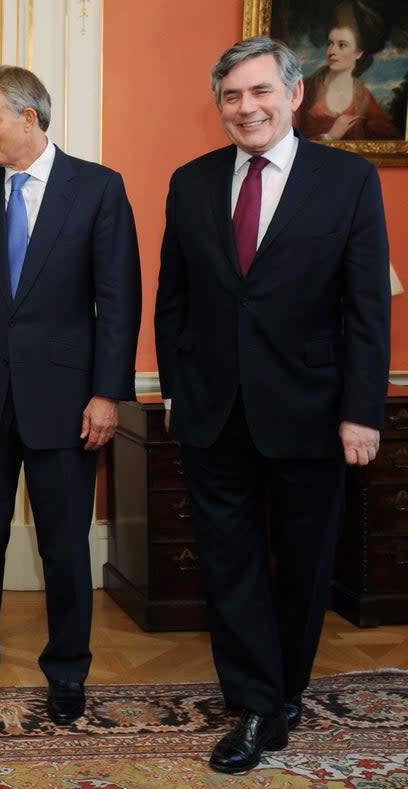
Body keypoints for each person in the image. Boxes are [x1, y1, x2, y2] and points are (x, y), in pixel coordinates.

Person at [155, 36, 390, 774]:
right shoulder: (190, 182)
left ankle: (284, 686)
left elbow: (366, 309)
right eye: (231, 95)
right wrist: (176, 385)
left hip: (312, 410)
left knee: (305, 562)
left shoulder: (347, 181)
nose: (244, 107)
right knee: (229, 562)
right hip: (213, 409)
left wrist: (362, 411)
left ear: (293, 94)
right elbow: (174, 301)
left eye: (259, 91)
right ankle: (256, 701)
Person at [0, 66, 141, 725]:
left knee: (64, 546)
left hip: (68, 403)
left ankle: (68, 671)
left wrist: (108, 395)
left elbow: (119, 300)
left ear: (29, 118)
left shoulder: (98, 189)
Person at [295, 4, 402, 141]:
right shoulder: (306, 89)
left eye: (341, 45)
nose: (332, 52)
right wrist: (330, 136)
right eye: (330, 43)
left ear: (358, 53)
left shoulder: (363, 97)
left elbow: (393, 140)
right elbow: (289, 139)